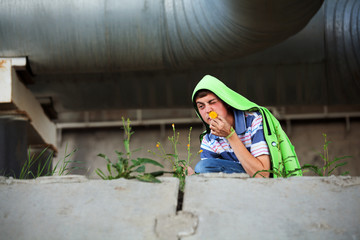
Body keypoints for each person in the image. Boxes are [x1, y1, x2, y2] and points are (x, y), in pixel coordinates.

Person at [191, 75, 302, 178]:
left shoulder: (254, 120)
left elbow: (262, 175)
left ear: (226, 102)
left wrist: (230, 135)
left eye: (212, 102)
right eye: (201, 106)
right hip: (235, 191)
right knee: (202, 168)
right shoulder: (208, 140)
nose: (208, 110)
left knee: (202, 168)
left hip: (266, 182)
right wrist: (194, 178)